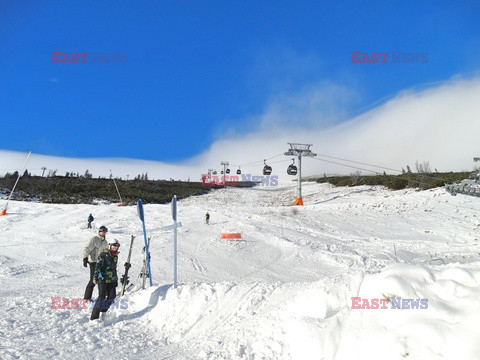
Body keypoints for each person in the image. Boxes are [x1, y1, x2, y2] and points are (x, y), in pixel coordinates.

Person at [90, 240, 120, 320]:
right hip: (102, 278)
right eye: (113, 246)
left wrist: (115, 279)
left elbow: (114, 269)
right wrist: (95, 276)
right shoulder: (104, 254)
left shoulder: (115, 256)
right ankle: (94, 317)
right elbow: (98, 266)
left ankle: (103, 311)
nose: (115, 248)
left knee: (112, 296)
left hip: (111, 280)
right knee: (101, 296)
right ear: (110, 246)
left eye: (116, 247)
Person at [83, 225, 108, 301]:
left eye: (104, 232)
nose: (103, 233)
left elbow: (105, 251)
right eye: (102, 231)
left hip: (101, 262)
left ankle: (103, 295)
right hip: (93, 262)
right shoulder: (94, 239)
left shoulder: (105, 242)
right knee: (93, 280)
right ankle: (86, 298)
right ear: (99, 232)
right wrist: (85, 257)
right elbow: (86, 248)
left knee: (102, 279)